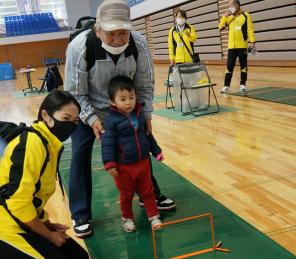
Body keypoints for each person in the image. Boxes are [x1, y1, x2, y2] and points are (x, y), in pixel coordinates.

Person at [64, 0, 175, 238]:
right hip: (87, 108)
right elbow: (74, 93)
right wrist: (92, 119)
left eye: (122, 33)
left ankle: (150, 195)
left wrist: (146, 115)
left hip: (126, 107)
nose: (117, 39)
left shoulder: (139, 44)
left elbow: (145, 84)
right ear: (97, 29)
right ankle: (81, 213)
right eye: (110, 34)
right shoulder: (78, 48)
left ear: (130, 29)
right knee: (80, 153)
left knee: (140, 146)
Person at [0, 90, 89, 259]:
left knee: (79, 256)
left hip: (20, 220)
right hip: (6, 228)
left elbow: (33, 197)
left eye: (75, 121)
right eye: (65, 118)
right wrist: (48, 235)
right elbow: (17, 202)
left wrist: (47, 224)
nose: (71, 125)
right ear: (46, 115)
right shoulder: (33, 144)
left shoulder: (49, 144)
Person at [102, 76, 163, 232]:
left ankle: (153, 216)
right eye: (123, 99)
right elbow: (107, 143)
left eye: (131, 97)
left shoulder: (139, 115)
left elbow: (148, 135)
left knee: (148, 191)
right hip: (123, 167)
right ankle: (127, 218)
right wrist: (109, 163)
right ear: (112, 101)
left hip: (143, 162)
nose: (128, 102)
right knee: (126, 194)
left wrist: (156, 151)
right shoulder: (111, 121)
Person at [219, 0, 256, 93]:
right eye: (228, 6)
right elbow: (220, 27)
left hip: (242, 45)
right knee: (229, 66)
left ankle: (243, 84)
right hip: (231, 46)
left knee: (243, 65)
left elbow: (250, 29)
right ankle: (226, 85)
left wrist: (252, 41)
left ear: (236, 5)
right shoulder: (229, 17)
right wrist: (225, 16)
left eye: (231, 5)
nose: (229, 7)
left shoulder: (246, 15)